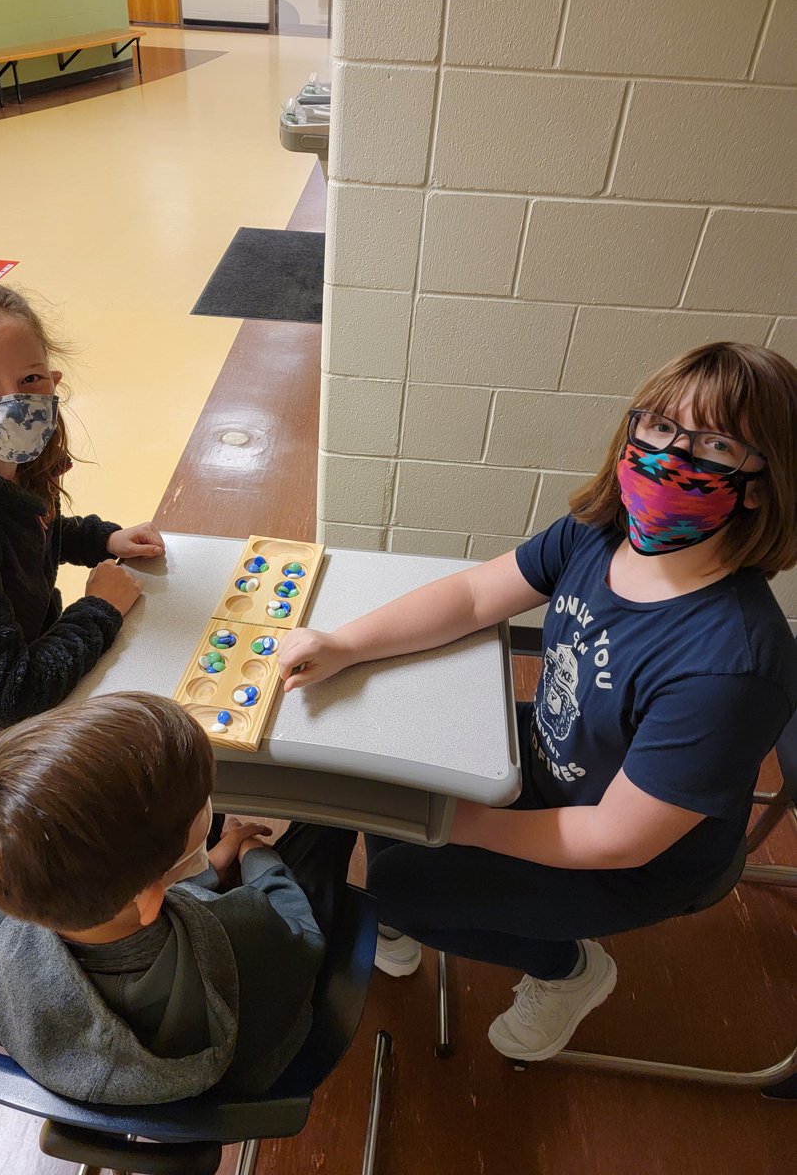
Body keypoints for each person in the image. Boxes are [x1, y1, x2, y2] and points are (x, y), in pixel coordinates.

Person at [277, 342, 797, 1062]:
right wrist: (345, 645)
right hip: (558, 761)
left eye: (713, 443)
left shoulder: (732, 663)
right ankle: (430, 899)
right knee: (391, 772)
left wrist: (465, 823)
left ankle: (569, 969)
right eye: (658, 427)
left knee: (397, 886)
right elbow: (473, 594)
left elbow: (617, 839)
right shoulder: (597, 536)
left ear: (766, 483)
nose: (669, 455)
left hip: (636, 858)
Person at [0, 691, 357, 1104]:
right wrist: (259, 859)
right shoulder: (240, 927)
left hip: (73, 1078)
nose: (206, 805)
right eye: (200, 808)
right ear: (150, 897)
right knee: (331, 825)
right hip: (237, 1082)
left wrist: (206, 869)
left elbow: (142, 914)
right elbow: (302, 939)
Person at [0, 276, 160, 763]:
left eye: (30, 380)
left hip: (25, 645)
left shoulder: (5, 458)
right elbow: (1, 702)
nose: (13, 403)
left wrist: (103, 540)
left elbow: (28, 531)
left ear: (52, 382)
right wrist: (99, 608)